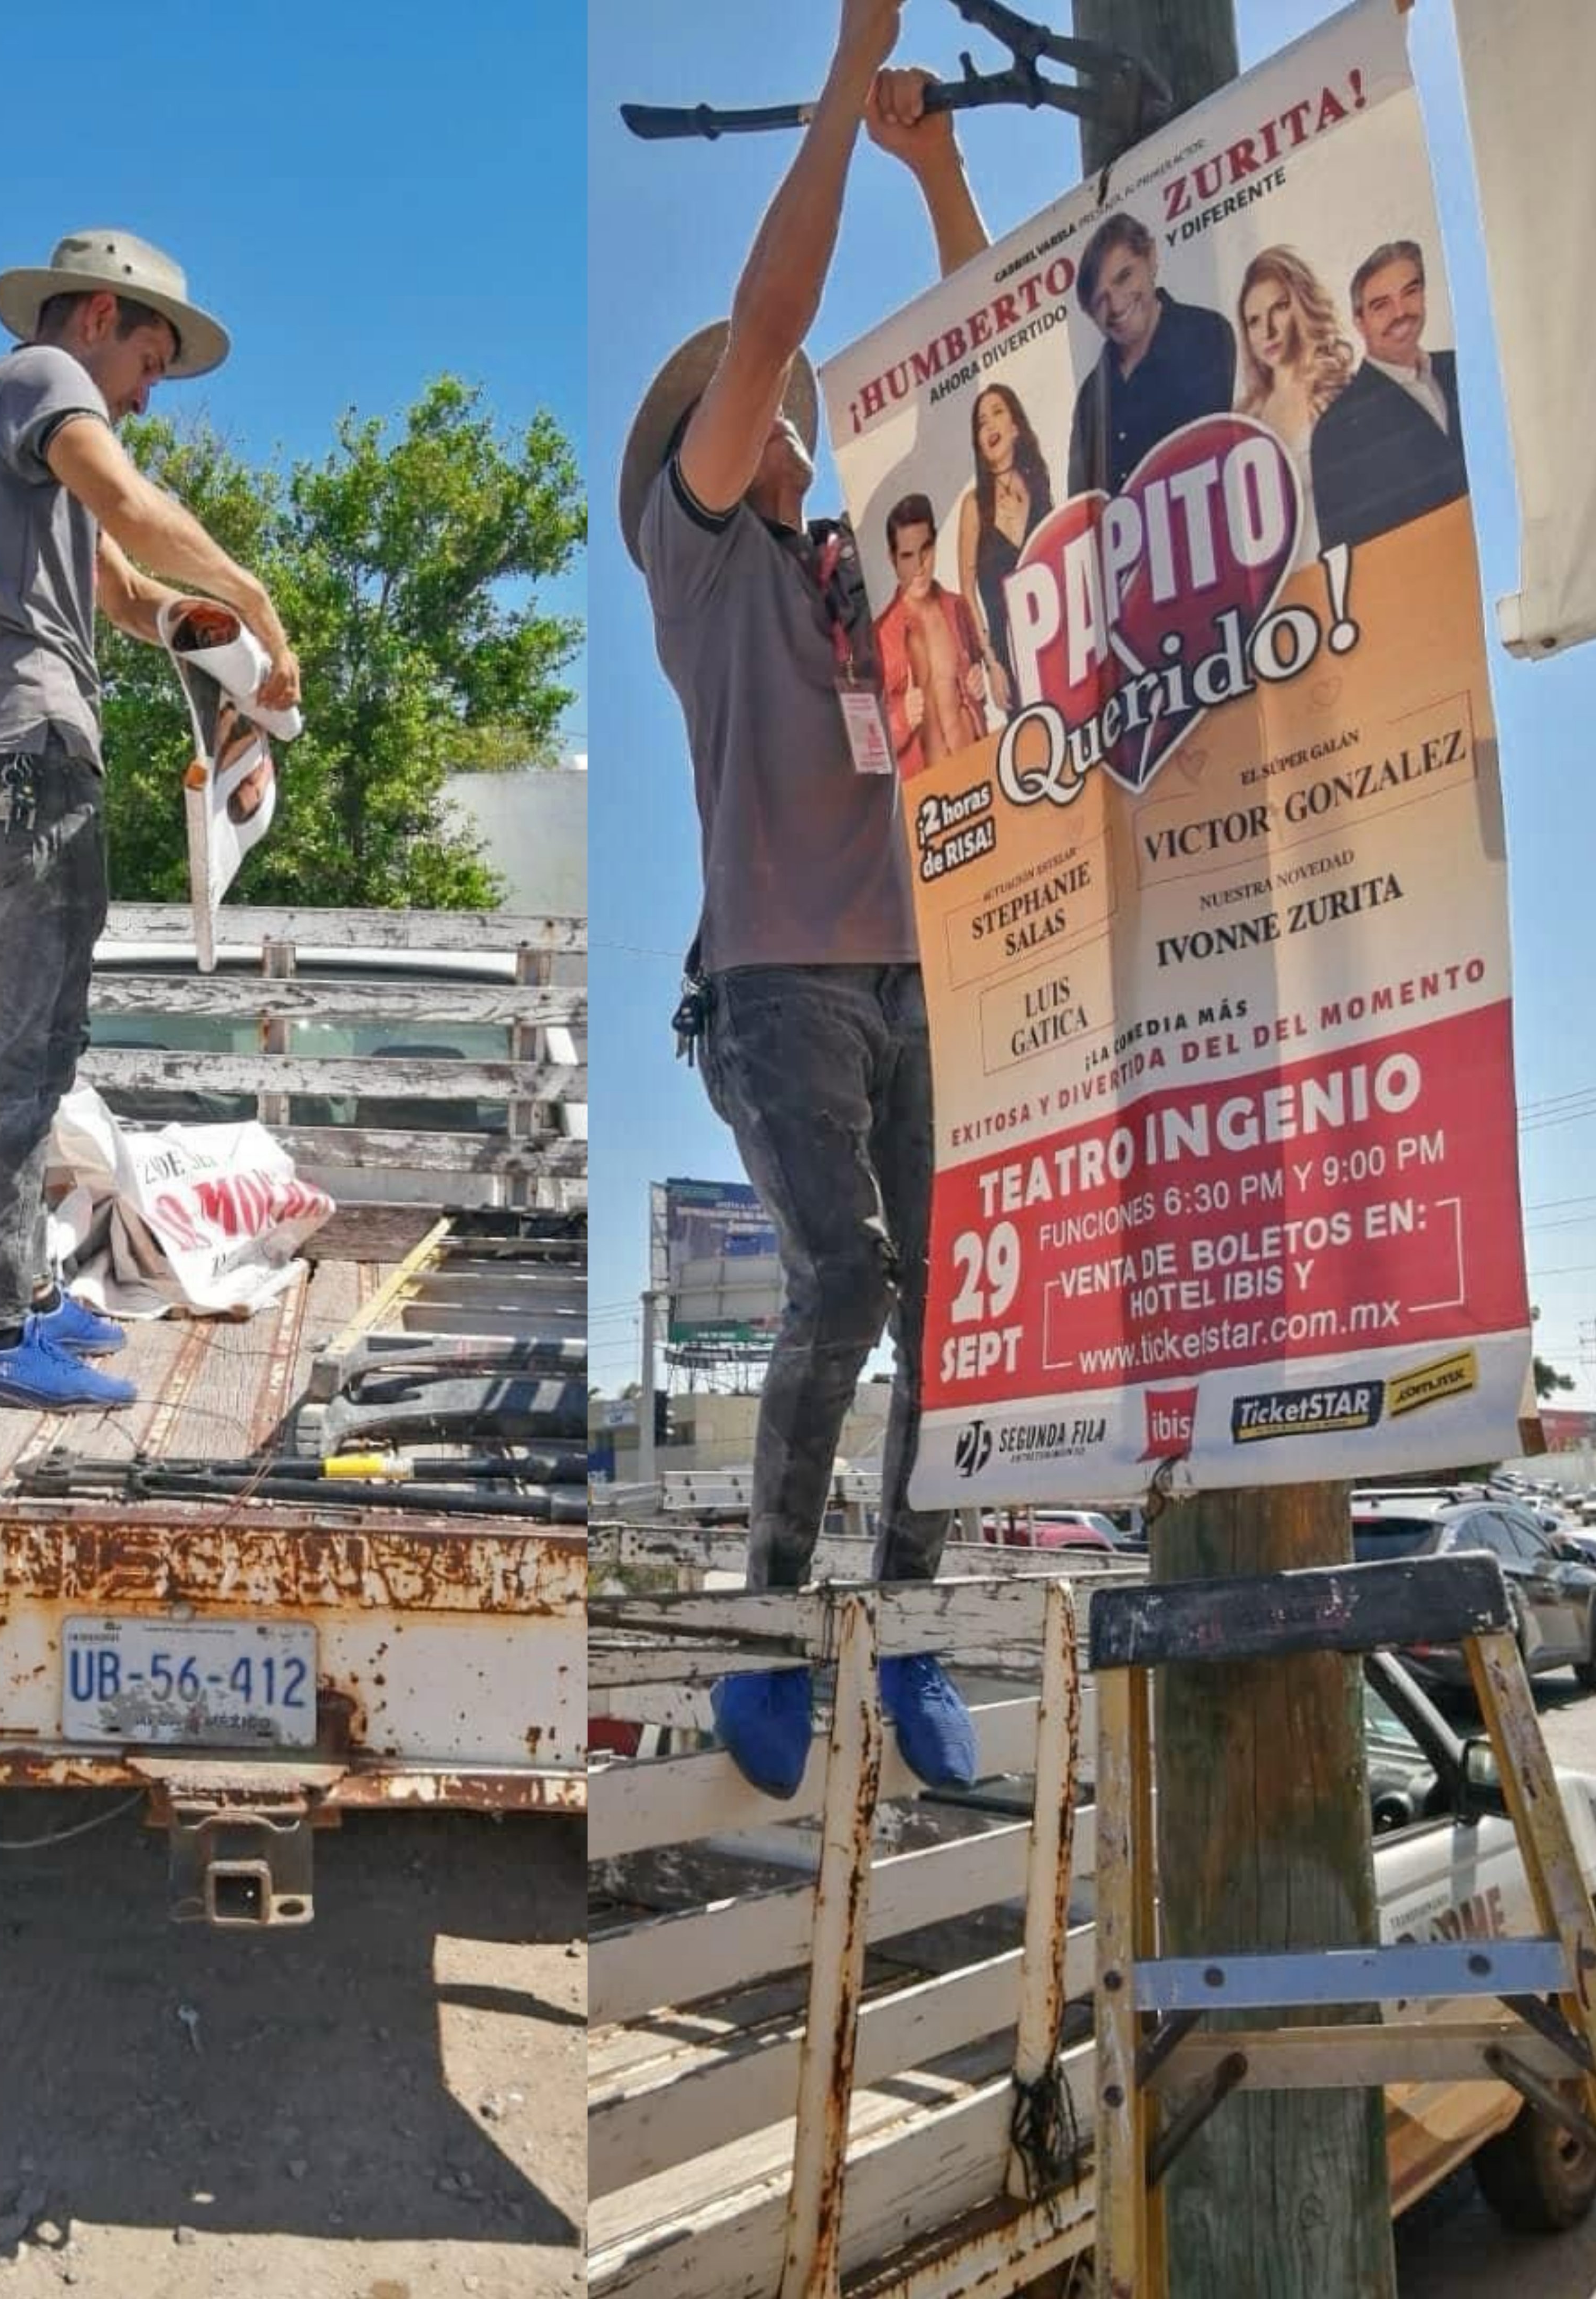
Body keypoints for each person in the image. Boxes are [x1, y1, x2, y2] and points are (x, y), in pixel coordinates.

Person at [623, 6, 984, 1799]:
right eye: (752, 407)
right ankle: (772, 1624)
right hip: (776, 981)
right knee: (842, 1276)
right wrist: (854, 73)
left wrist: (942, 171)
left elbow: (988, 404)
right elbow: (767, 327)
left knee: (952, 1308)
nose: (781, 418)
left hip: (917, 977)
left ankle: (902, 1624)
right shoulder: (695, 554)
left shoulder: (858, 574)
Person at [0, 231, 298, 1411]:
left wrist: (232, 670)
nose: (145, 393)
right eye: (147, 359)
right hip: (23, 758)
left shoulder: (26, 461)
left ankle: (25, 1296)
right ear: (91, 318)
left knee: (41, 1043)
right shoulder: (41, 382)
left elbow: (129, 597)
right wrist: (260, 601)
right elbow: (134, 510)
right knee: (29, 1057)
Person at [1311, 237, 1471, 553]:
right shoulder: (1338, 429)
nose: (1401, 313)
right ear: (1360, 322)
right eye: (1381, 305)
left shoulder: (1466, 367)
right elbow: (1347, 557)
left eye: (1410, 292)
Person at [1066, 209, 1237, 496]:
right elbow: (1083, 505)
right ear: (1090, 315)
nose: (1117, 306)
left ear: (1152, 258)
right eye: (1101, 301)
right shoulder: (1090, 396)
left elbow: (1206, 452)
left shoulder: (1205, 333)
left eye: (1123, 277)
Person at [1233, 246, 1355, 563]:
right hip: (1278, 587)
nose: (1268, 331)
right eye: (1254, 321)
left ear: (1302, 308)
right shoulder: (1244, 419)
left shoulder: (1338, 389)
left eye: (1280, 308)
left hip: (1343, 562)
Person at [872, 492, 997, 772]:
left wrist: (978, 680)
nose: (918, 567)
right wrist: (900, 717)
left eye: (925, 550)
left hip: (978, 768)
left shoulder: (958, 608)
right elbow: (868, 741)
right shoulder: (878, 637)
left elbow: (977, 671)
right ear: (892, 558)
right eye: (907, 555)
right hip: (932, 800)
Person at [948, 382, 1055, 707]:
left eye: (997, 413)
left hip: (1056, 638)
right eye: (981, 423)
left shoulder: (1038, 485)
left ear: (1016, 427)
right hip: (1009, 658)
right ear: (978, 442)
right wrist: (992, 664)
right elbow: (968, 592)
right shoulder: (974, 506)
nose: (990, 425)